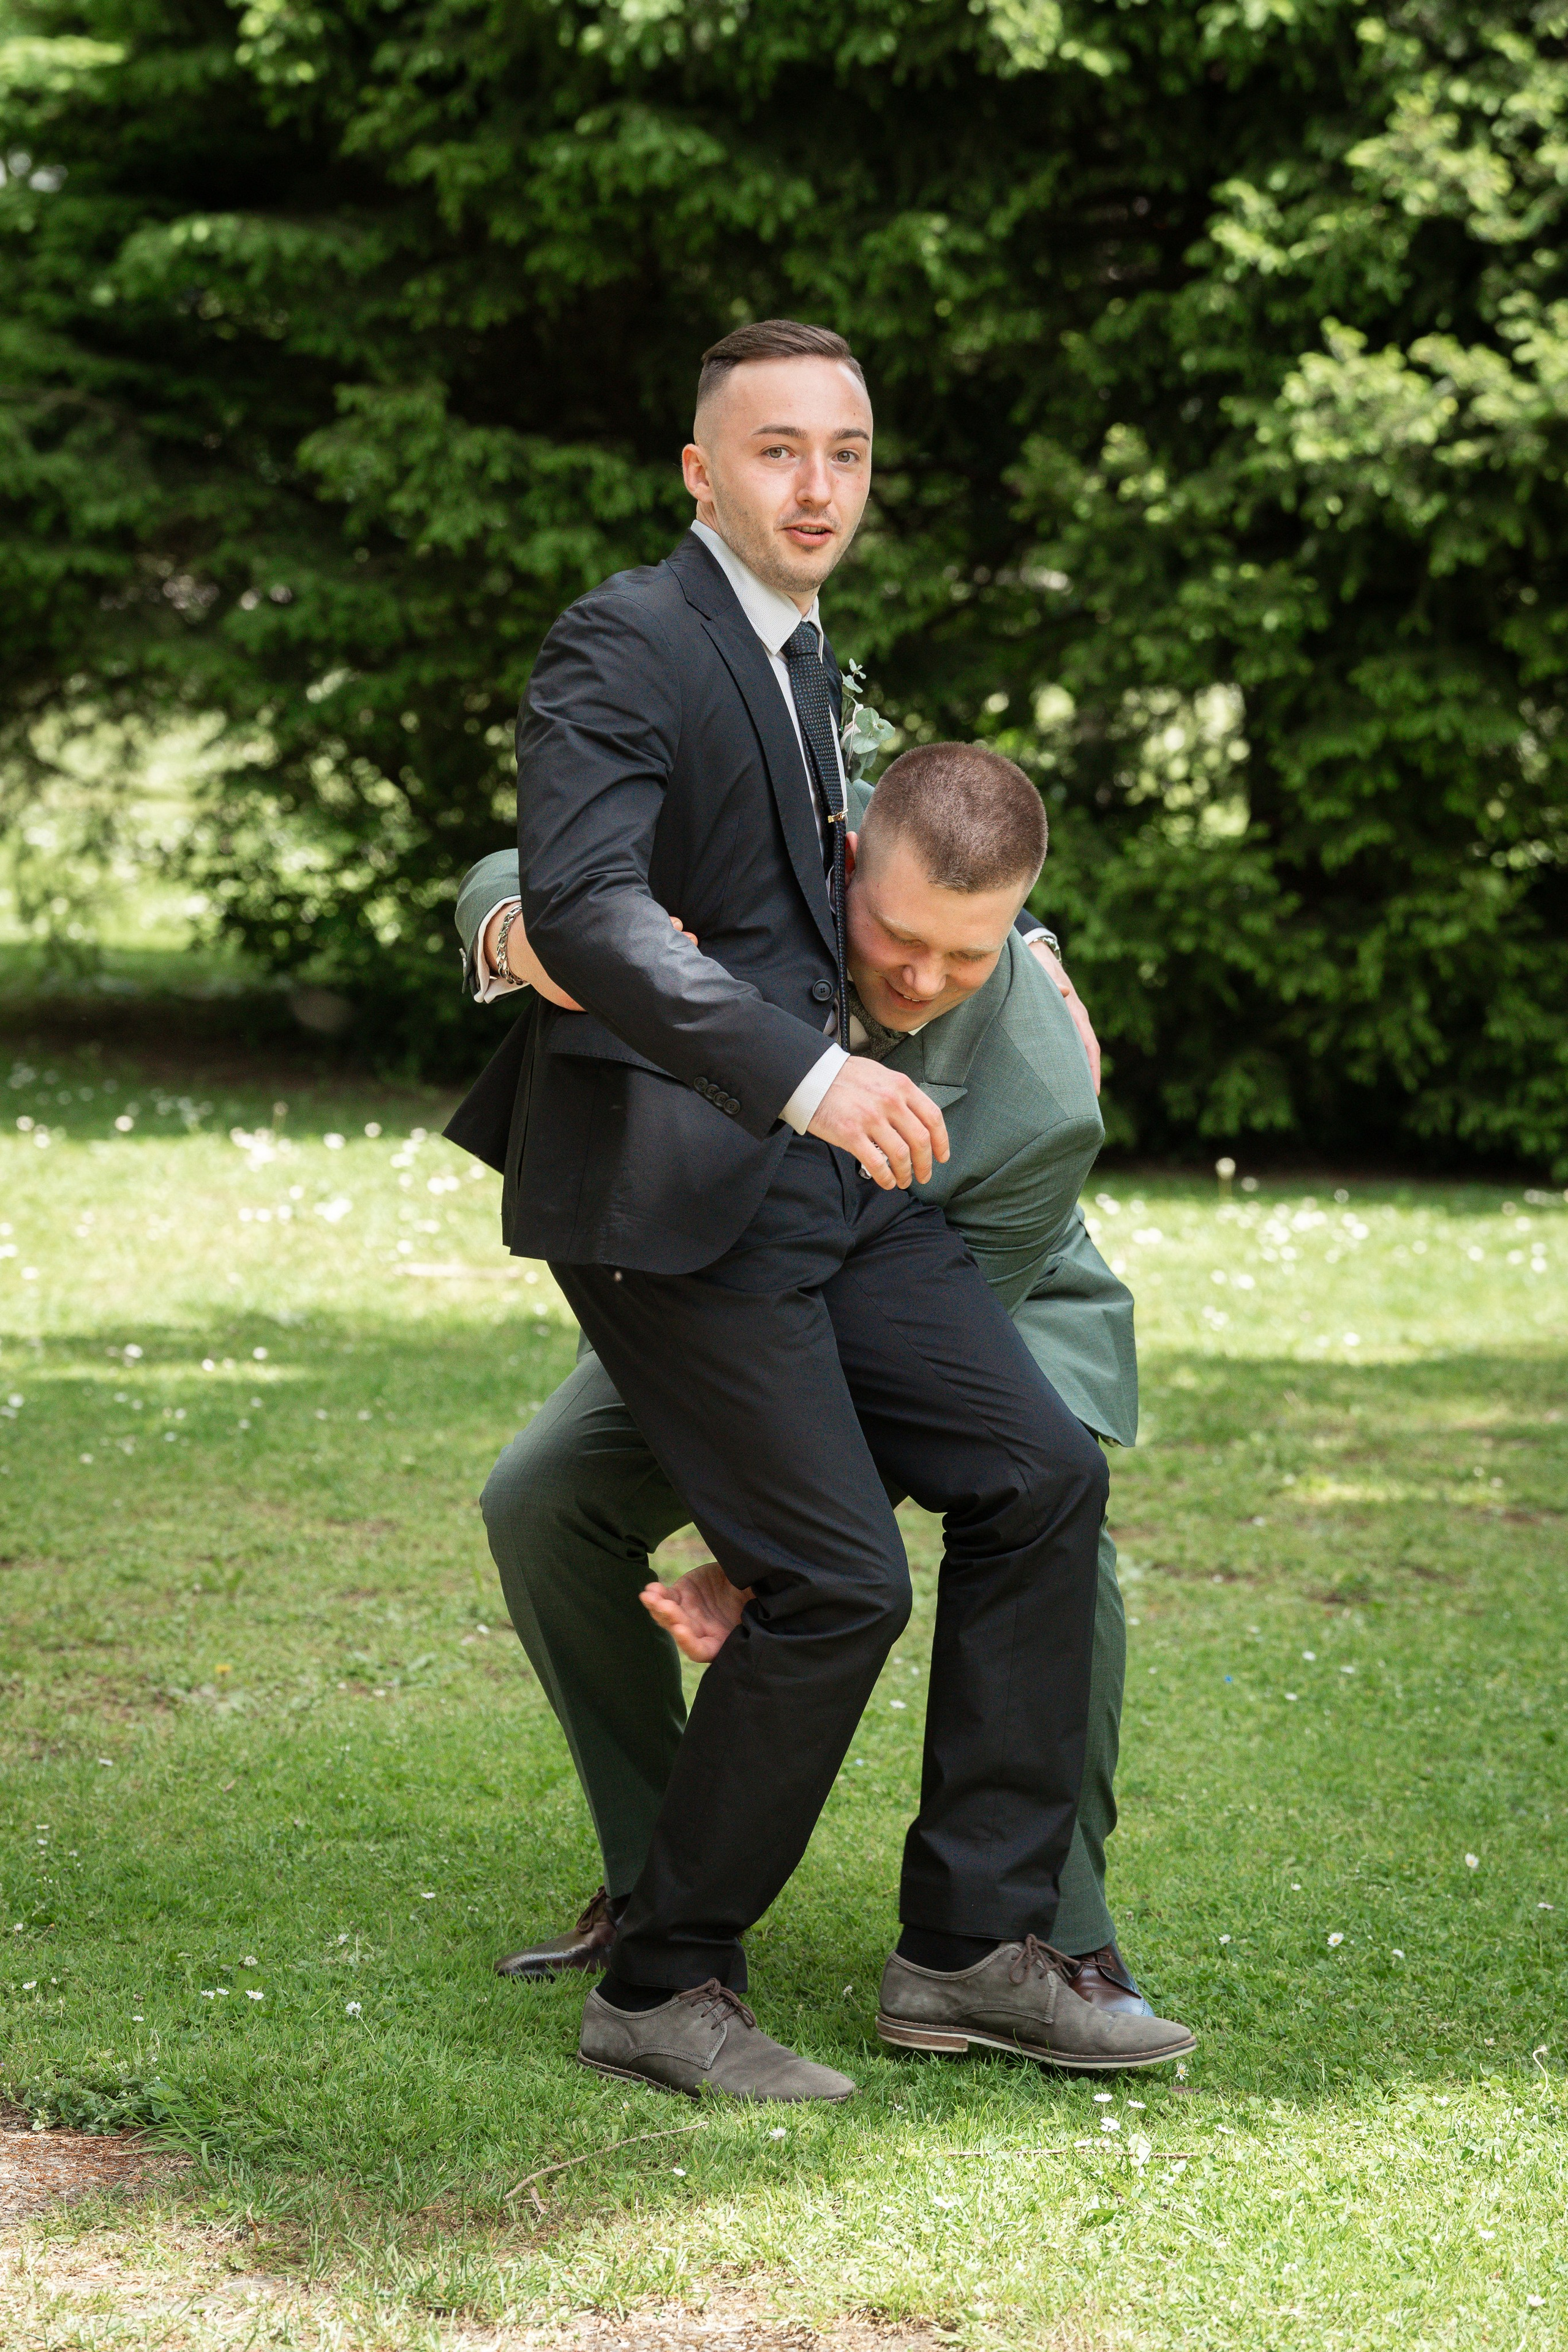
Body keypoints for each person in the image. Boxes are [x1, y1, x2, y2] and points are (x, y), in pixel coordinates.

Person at [445, 319, 1193, 2100]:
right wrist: (806, 1074)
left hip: (827, 1192)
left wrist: (960, 986)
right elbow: (584, 900)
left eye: (845, 453)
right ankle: (667, 1975)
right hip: (682, 1188)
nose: (816, 484)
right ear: (702, 469)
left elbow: (855, 877)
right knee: (840, 1587)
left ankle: (970, 1950)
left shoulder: (798, 665)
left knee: (1042, 1475)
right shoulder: (630, 636)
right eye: (777, 450)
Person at [454, 769, 1152, 2020]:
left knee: (1050, 1511)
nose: (924, 978)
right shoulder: (758, 871)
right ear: (841, 871)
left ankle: (1049, 1929)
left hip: (986, 1299)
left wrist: (761, 1554)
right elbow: (521, 876)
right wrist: (529, 939)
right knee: (539, 1499)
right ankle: (657, 1882)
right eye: (898, 936)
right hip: (736, 1276)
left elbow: (935, 1378)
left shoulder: (1041, 1094)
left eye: (972, 953)